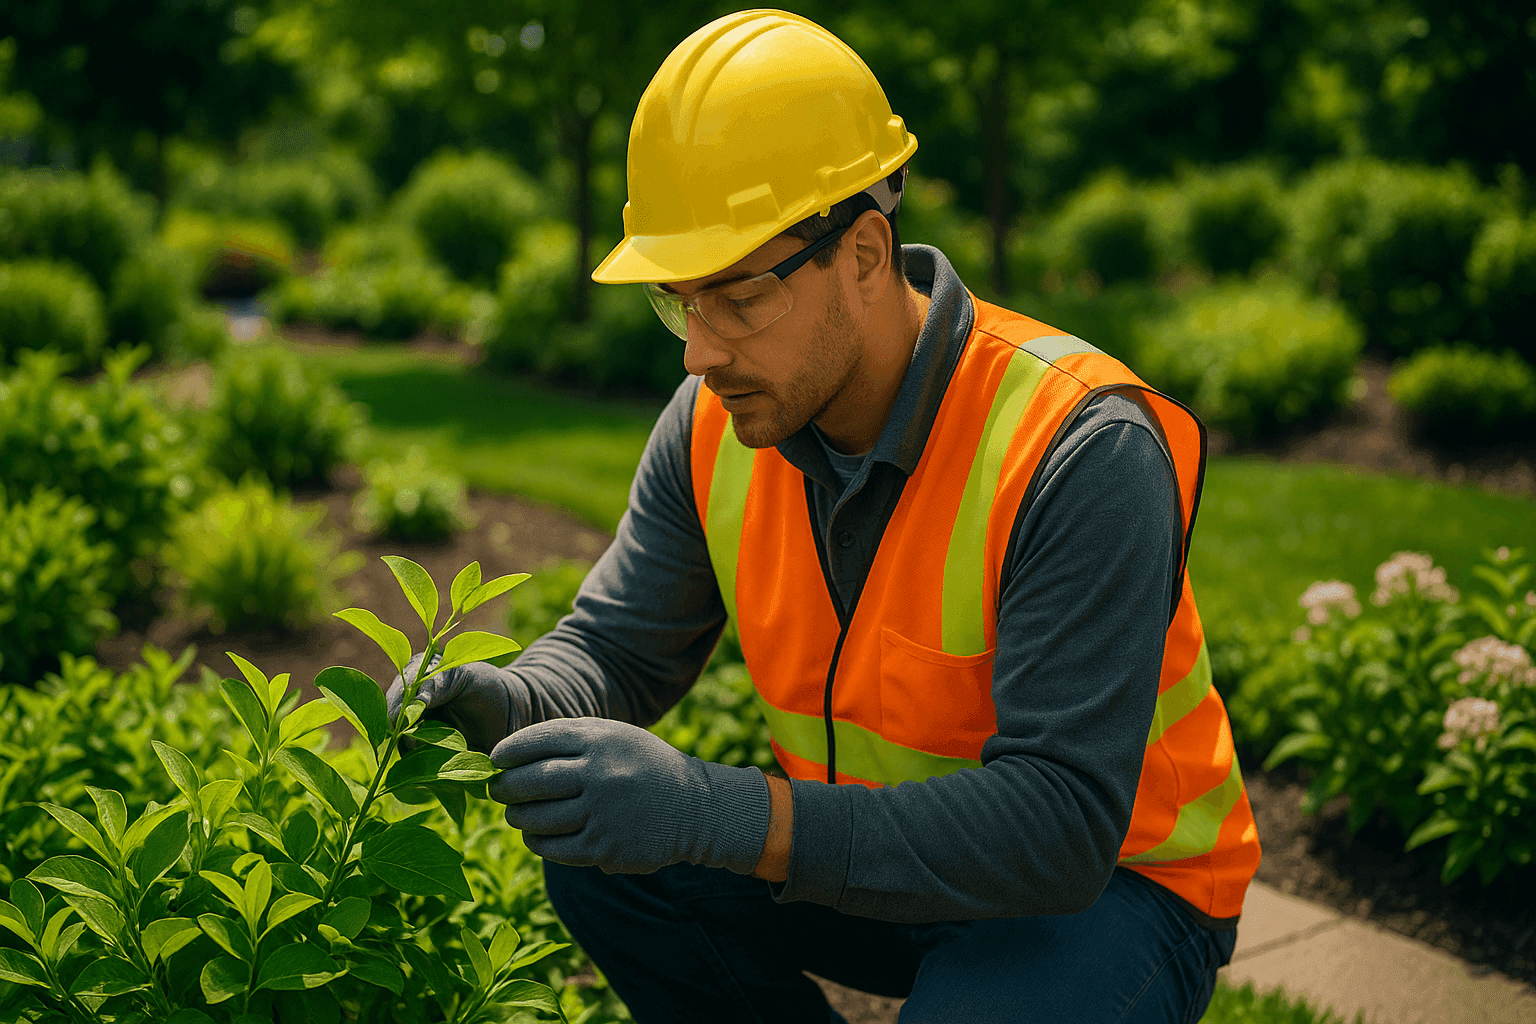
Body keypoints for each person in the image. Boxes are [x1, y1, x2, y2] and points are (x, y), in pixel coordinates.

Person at [386, 9, 1261, 1022]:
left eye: (737, 297)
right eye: (679, 301)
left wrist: (720, 811)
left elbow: (1059, 827)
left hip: (1115, 885)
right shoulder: (717, 422)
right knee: (607, 862)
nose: (698, 354)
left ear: (863, 253)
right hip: (884, 859)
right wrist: (514, 699)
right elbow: (620, 648)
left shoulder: (1077, 446)